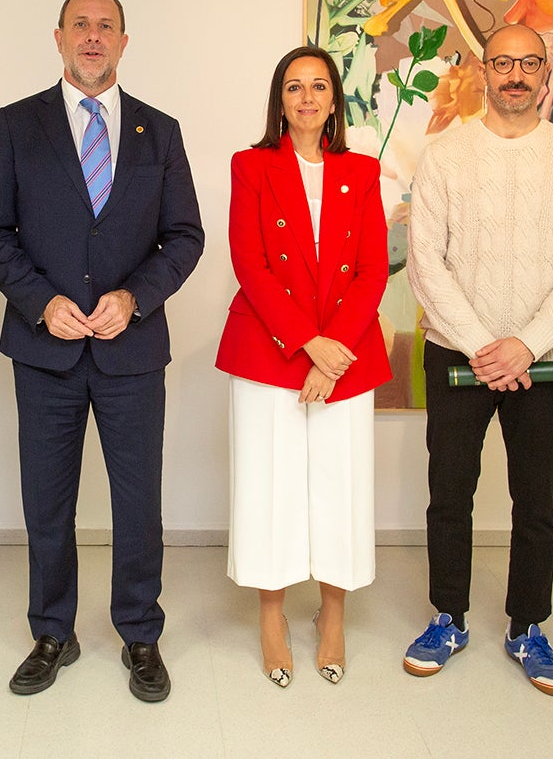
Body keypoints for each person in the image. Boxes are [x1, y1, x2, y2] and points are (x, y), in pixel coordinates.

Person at [0, 0, 204, 702]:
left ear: (125, 42)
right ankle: (53, 631)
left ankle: (140, 633)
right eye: (81, 24)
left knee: (138, 502)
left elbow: (184, 236)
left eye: (107, 26)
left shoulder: (158, 132)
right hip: (45, 352)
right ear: (58, 37)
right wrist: (41, 303)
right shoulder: (16, 125)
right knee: (47, 501)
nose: (93, 36)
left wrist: (135, 297)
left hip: (130, 352)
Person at [403, 24, 553, 696]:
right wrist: (483, 346)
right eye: (502, 63)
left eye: (528, 63)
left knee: (536, 500)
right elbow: (426, 263)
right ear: (482, 70)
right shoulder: (443, 155)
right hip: (455, 352)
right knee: (448, 494)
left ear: (547, 72)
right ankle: (447, 617)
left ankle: (528, 628)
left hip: (540, 360)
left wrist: (524, 343)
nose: (514, 74)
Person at [214, 46, 391, 687]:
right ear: (279, 99)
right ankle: (271, 617)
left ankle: (333, 616)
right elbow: (249, 263)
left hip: (343, 356)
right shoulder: (251, 165)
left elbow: (373, 270)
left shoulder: (362, 171)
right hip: (269, 352)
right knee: (270, 487)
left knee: (340, 487)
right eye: (294, 86)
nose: (307, 97)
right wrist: (306, 344)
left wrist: (332, 351)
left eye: (319, 86)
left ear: (335, 99)